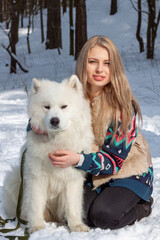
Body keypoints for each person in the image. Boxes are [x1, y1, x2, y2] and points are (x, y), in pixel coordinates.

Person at [49, 36, 153, 229]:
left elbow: (114, 161)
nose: (99, 70)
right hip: (92, 171)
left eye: (107, 63)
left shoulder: (122, 104)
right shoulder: (69, 95)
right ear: (83, 64)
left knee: (104, 216)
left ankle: (144, 206)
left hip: (128, 171)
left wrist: (78, 160)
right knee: (69, 211)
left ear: (115, 68)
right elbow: (45, 113)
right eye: (92, 62)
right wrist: (37, 126)